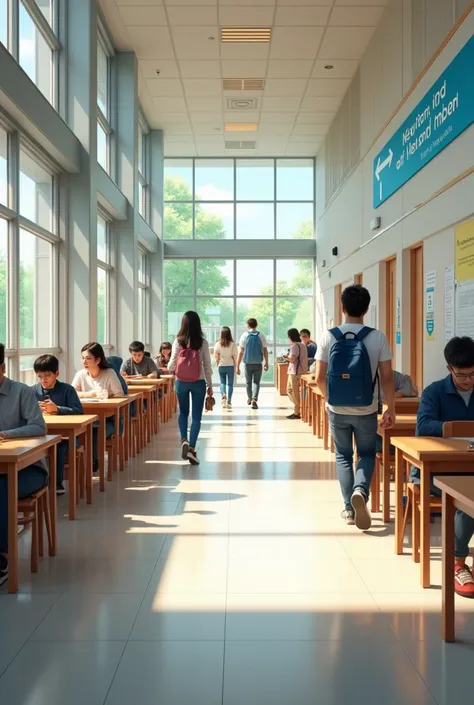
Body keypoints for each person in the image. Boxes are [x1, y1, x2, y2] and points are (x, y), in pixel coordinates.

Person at [316, 285, 396, 530]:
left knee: (342, 455)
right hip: (367, 408)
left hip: (338, 410)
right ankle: (361, 489)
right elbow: (387, 378)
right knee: (367, 453)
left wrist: (331, 400)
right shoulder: (377, 337)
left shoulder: (329, 336)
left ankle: (349, 509)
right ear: (367, 308)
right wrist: (389, 407)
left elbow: (319, 376)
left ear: (342, 307)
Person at [413, 336, 474, 598]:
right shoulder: (435, 391)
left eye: (472, 374)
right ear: (450, 368)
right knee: (466, 499)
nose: (468, 380)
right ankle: (457, 563)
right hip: (439, 472)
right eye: (462, 375)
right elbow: (423, 425)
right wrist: (452, 430)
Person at [0, 343, 47, 587]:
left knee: (2, 487)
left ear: (2, 368)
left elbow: (39, 427)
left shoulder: (21, 392)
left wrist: (6, 434)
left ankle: (3, 558)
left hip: (30, 469)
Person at [32, 354, 83, 495]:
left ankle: (56, 483)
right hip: (41, 433)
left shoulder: (67, 390)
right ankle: (36, 483)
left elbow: (78, 411)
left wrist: (58, 409)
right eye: (40, 376)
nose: (43, 380)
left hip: (65, 436)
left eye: (47, 376)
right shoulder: (32, 391)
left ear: (57, 374)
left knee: (57, 446)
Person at [168, 311, 213, 466]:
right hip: (198, 382)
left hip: (181, 381)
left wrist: (170, 367)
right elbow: (207, 366)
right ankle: (192, 448)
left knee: (183, 413)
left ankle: (184, 440)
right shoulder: (203, 342)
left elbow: (172, 364)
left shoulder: (177, 341)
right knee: (196, 417)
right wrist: (210, 386)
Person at [71, 343, 124, 472]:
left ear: (98, 360)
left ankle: (93, 462)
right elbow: (71, 394)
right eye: (83, 358)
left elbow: (120, 395)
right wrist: (90, 394)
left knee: (95, 430)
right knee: (82, 431)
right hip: (86, 419)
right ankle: (80, 464)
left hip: (108, 420)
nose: (84, 362)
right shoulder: (80, 374)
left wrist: (109, 396)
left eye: (88, 358)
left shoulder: (109, 373)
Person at [236, 318, 269, 410]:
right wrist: (266, 362)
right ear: (256, 325)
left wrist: (237, 365)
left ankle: (249, 398)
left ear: (248, 325)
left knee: (248, 382)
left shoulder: (244, 335)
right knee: (256, 382)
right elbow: (265, 350)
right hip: (258, 363)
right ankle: (254, 399)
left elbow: (241, 351)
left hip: (247, 363)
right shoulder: (261, 335)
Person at [286, 328, 308, 420]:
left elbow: (292, 359)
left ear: (290, 336)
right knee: (298, 391)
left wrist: (286, 357)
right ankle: (298, 409)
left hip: (295, 371)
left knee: (291, 391)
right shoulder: (302, 345)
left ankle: (297, 411)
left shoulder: (294, 346)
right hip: (302, 371)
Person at [214, 326, 238, 410]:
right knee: (230, 384)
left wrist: (217, 362)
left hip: (221, 365)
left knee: (222, 382)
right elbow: (235, 355)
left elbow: (216, 355)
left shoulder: (218, 344)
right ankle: (229, 401)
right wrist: (237, 366)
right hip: (230, 366)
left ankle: (223, 394)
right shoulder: (233, 344)